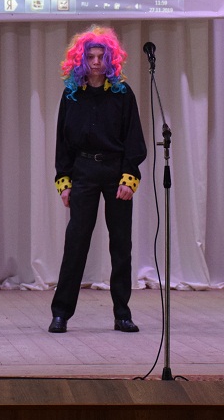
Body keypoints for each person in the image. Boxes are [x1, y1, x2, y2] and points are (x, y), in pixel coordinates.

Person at [49, 26, 147, 334]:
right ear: (80, 60)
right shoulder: (72, 95)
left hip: (116, 173)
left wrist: (129, 178)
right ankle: (61, 313)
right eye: (90, 56)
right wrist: (64, 181)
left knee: (121, 245)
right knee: (76, 243)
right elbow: (62, 142)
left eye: (100, 56)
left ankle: (122, 313)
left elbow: (134, 139)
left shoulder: (122, 94)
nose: (95, 62)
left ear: (110, 59)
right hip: (83, 172)